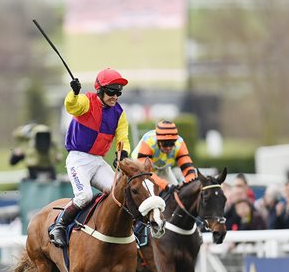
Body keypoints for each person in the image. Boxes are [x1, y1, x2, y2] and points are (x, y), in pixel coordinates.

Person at [48, 68, 132, 247]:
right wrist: (74, 93)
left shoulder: (119, 113)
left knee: (120, 193)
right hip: (78, 159)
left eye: (119, 92)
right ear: (100, 90)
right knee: (84, 195)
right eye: (111, 92)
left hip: (98, 161)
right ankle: (59, 225)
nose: (115, 96)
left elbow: (122, 138)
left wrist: (122, 154)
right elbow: (72, 106)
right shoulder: (86, 101)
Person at [132, 120, 197, 193]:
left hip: (163, 168)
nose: (168, 147)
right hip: (140, 169)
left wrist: (190, 182)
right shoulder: (148, 142)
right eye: (165, 144)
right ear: (158, 141)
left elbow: (188, 168)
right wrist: (165, 186)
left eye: (172, 144)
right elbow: (146, 173)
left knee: (176, 193)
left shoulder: (180, 143)